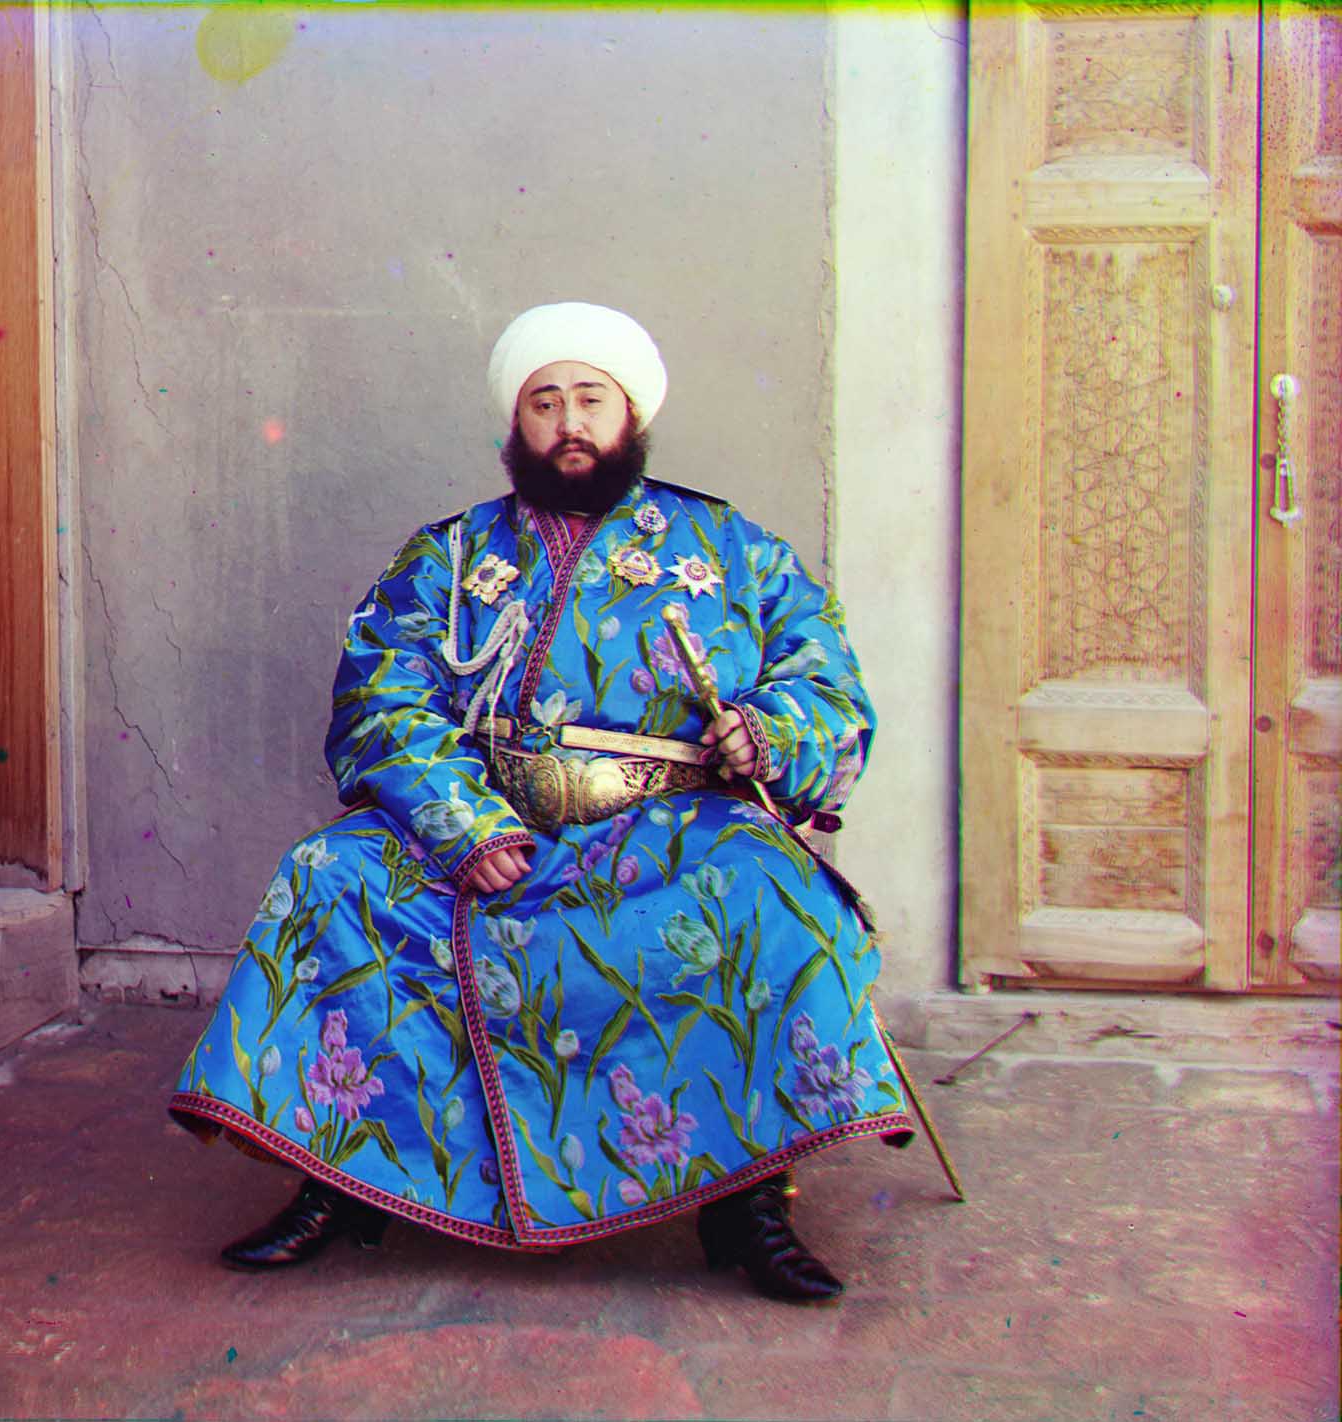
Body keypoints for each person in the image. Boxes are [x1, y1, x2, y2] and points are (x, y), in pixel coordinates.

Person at [169, 301, 913, 1302]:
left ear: (629, 415)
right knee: (330, 877)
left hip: (671, 834)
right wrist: (461, 823)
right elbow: (378, 694)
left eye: (590, 400)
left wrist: (767, 732)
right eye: (544, 402)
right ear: (513, 427)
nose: (569, 422)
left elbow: (828, 689)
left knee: (773, 894)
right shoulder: (447, 556)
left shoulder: (732, 549)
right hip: (487, 825)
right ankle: (338, 1175)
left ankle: (746, 1204)